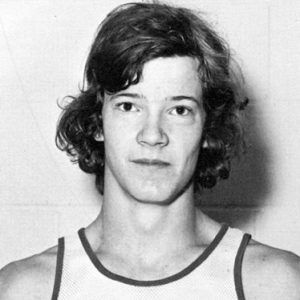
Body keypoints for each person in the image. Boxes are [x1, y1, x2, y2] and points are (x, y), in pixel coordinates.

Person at [0, 2, 299, 299]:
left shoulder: (274, 285)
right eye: (129, 106)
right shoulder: (26, 289)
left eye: (179, 110)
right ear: (97, 122)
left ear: (209, 128)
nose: (153, 135)